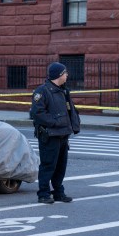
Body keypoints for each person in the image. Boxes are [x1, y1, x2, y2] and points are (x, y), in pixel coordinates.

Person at [31, 62, 81, 204]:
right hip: (50, 135)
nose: (67, 75)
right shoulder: (42, 91)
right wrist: (55, 122)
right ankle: (43, 193)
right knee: (48, 165)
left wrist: (74, 124)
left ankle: (59, 192)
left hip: (63, 134)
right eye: (65, 73)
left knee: (60, 166)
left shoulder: (64, 91)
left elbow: (70, 110)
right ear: (59, 75)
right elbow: (37, 113)